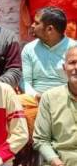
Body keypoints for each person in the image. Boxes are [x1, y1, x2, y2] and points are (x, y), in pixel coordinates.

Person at [20, 7, 76, 135]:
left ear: (50, 29)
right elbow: (25, 81)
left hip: (66, 98)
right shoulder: (29, 49)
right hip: (35, 99)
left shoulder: (74, 49)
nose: (32, 25)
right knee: (16, 103)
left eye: (37, 23)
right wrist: (36, 95)